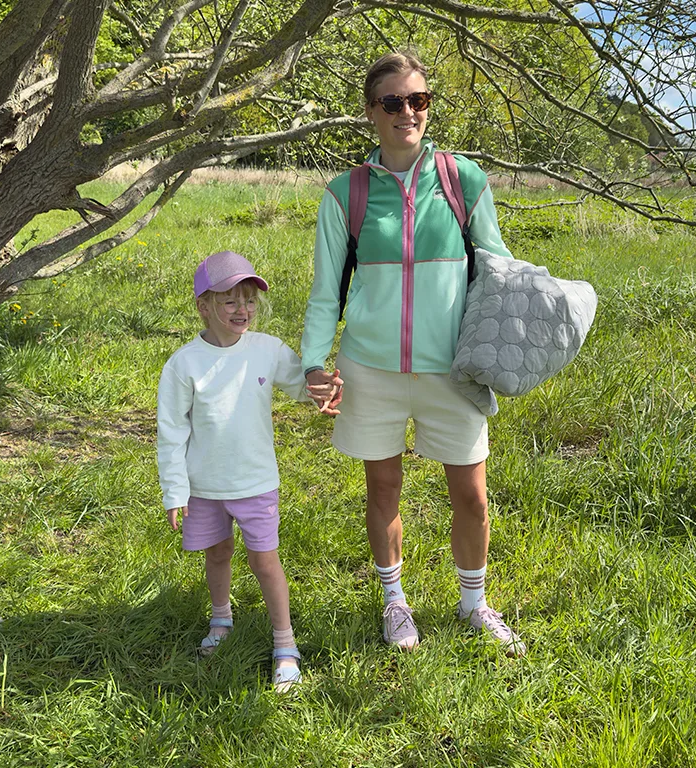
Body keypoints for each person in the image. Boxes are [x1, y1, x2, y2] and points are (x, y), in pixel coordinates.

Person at [301, 51, 526, 657]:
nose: (408, 112)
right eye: (394, 102)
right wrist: (314, 364)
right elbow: (326, 291)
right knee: (383, 490)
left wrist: (541, 315)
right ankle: (395, 602)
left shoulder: (463, 180)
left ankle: (475, 603)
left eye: (418, 100)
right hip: (369, 369)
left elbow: (498, 266)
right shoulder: (344, 193)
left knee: (472, 495)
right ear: (371, 112)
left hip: (451, 368)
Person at [157, 250, 342, 692]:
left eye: (250, 301)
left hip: (256, 483)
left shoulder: (267, 350)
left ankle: (285, 644)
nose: (243, 310)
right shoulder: (183, 364)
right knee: (217, 553)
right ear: (203, 306)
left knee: (265, 561)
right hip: (205, 486)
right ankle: (221, 617)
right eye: (229, 301)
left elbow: (301, 384)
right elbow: (170, 433)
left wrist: (323, 390)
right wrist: (175, 491)